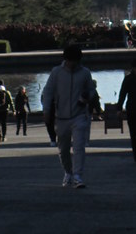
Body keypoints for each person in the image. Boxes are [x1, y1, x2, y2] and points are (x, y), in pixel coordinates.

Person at [40, 44, 97, 188]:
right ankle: (68, 172)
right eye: (70, 60)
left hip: (79, 115)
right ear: (65, 59)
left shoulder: (85, 73)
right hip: (61, 117)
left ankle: (78, 175)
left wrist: (86, 97)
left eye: (75, 61)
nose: (72, 64)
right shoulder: (56, 72)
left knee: (79, 147)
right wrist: (46, 110)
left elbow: (92, 90)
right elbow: (48, 92)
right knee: (63, 149)